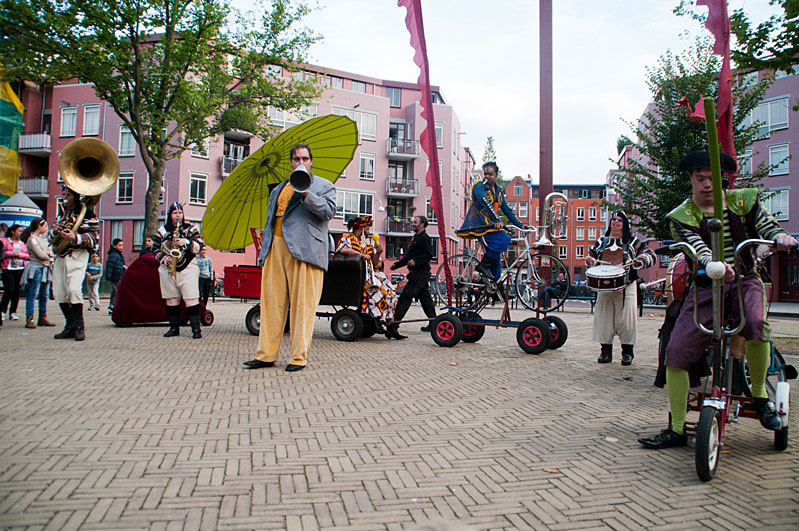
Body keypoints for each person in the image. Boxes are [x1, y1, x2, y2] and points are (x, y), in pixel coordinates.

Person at [639, 151, 797, 450]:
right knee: (676, 352)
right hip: (706, 286)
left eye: (713, 178)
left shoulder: (742, 201)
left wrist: (780, 236)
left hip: (745, 278)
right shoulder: (682, 216)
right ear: (691, 179)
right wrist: (713, 264)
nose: (707, 184)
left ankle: (761, 397)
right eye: (701, 179)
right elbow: (696, 247)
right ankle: (675, 428)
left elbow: (766, 226)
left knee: (755, 322)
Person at [244, 143, 336, 371]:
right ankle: (266, 355)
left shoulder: (324, 185)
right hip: (276, 247)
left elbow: (328, 212)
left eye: (305, 158)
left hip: (305, 250)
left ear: (311, 161)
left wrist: (306, 192)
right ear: (291, 162)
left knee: (302, 307)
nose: (301, 163)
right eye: (296, 159)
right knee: (271, 304)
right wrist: (264, 251)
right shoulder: (278, 189)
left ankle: (297, 358)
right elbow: (271, 220)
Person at [585, 210, 655, 365]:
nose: (616, 222)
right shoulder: (601, 241)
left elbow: (650, 255)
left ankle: (627, 353)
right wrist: (590, 261)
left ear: (624, 224)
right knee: (604, 319)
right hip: (604, 287)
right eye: (613, 219)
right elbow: (592, 257)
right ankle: (605, 351)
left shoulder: (633, 242)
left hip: (626, 285)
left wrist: (640, 261)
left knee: (626, 320)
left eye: (619, 220)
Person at [456, 161, 525, 282]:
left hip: (489, 225)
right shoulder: (479, 186)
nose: (487, 176)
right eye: (486, 173)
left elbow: (506, 208)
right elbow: (486, 203)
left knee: (496, 259)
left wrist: (520, 225)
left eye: (490, 174)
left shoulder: (498, 190)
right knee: (504, 237)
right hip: (479, 224)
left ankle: (495, 289)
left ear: (496, 175)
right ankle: (483, 266)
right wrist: (497, 219)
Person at [49, 185, 99, 341]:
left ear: (75, 196)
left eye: (68, 195)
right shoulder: (62, 214)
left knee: (73, 290)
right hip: (61, 256)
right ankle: (69, 326)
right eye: (63, 194)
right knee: (59, 292)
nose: (65, 198)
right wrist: (54, 231)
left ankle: (79, 326)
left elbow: (94, 239)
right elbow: (50, 237)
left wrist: (74, 238)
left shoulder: (87, 214)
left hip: (77, 255)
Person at [336, 216, 397, 333]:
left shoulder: (367, 244)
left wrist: (378, 253)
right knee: (377, 291)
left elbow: (374, 264)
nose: (369, 232)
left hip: (371, 274)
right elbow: (342, 250)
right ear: (360, 229)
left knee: (390, 291)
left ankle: (390, 323)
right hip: (357, 275)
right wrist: (361, 255)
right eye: (367, 229)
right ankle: (376, 319)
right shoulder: (347, 239)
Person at [152, 202, 205, 339]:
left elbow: (200, 244)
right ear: (170, 215)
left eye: (180, 213)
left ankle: (196, 329)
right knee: (171, 299)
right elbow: (155, 249)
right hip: (168, 267)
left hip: (187, 267)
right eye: (175, 213)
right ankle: (174, 328)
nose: (178, 216)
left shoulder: (190, 229)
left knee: (191, 298)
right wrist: (165, 259)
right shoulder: (162, 230)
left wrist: (186, 243)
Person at [386, 215, 437, 339]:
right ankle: (434, 323)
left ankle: (393, 326)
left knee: (405, 297)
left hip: (420, 273)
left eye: (415, 222)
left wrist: (416, 261)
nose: (413, 223)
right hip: (418, 273)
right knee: (425, 299)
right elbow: (408, 257)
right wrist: (396, 265)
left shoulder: (424, 238)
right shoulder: (416, 238)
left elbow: (429, 255)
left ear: (422, 224)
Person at [22, 218, 55, 328]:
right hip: (36, 267)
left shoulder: (43, 240)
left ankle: (42, 317)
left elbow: (48, 251)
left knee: (44, 294)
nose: (46, 229)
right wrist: (49, 255)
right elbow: (41, 254)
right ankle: (30, 318)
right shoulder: (32, 239)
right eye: (44, 226)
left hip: (45, 267)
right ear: (38, 226)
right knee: (33, 293)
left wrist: (48, 254)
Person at [1, 224, 30, 321]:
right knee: (9, 289)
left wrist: (20, 255)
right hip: (8, 268)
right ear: (13, 231)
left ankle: (13, 312)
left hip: (20, 268)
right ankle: (3, 311)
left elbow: (27, 255)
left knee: (17, 291)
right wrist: (11, 253)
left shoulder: (22, 244)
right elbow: (1, 253)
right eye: (19, 231)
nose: (20, 233)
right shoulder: (4, 241)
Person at [105, 238, 126, 314]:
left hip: (118, 275)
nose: (121, 247)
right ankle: (113, 306)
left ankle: (112, 306)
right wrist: (109, 276)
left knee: (115, 292)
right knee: (116, 292)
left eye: (122, 245)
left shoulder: (118, 255)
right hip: (115, 276)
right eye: (119, 245)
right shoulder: (114, 255)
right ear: (114, 246)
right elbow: (110, 266)